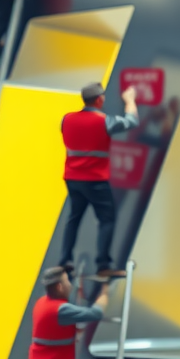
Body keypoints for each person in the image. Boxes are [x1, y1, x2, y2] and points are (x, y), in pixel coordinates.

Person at [59, 82, 139, 278]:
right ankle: (103, 264)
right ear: (99, 99)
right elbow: (132, 122)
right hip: (95, 180)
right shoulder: (104, 121)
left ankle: (64, 261)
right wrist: (130, 100)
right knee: (107, 219)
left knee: (74, 218)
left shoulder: (66, 119)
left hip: (72, 178)